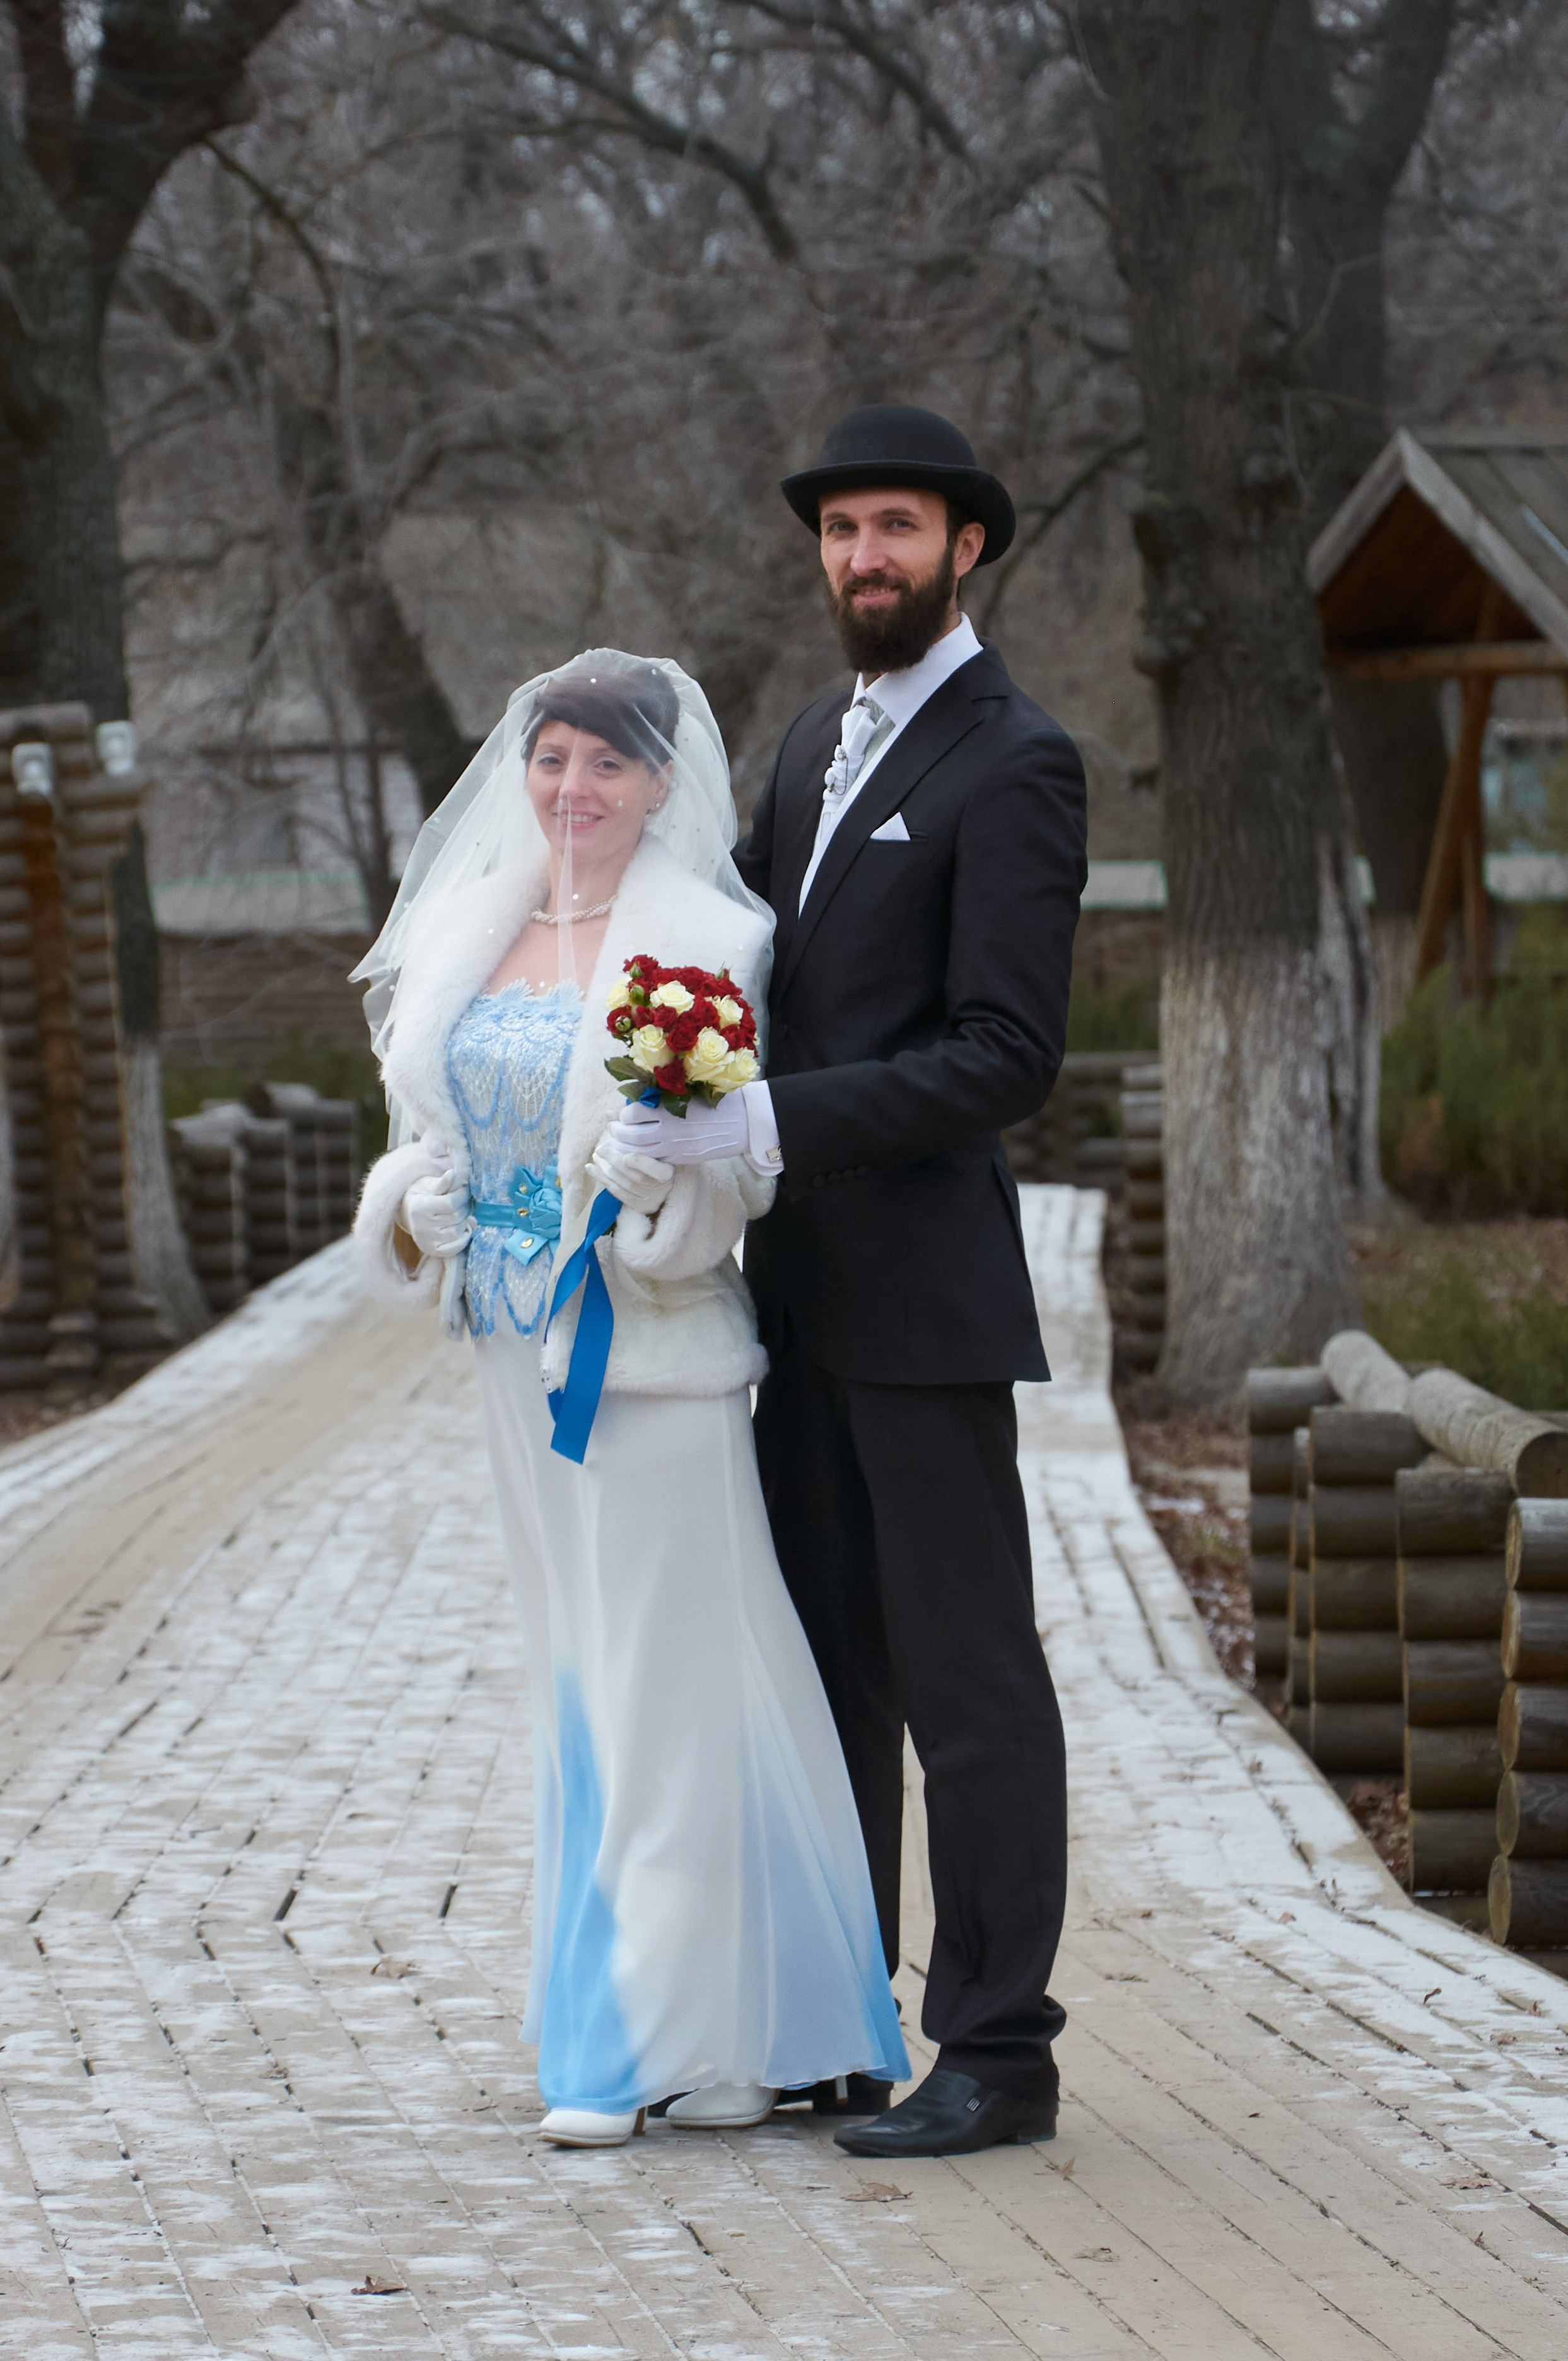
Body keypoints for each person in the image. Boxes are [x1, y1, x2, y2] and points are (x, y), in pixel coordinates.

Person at [610, 406, 1088, 2159]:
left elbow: (1002, 1053)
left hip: (926, 1300)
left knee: (965, 1683)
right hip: (790, 1295)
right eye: (838, 531)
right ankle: (837, 2022)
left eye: (893, 526)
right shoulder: (816, 736)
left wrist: (761, 1119)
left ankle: (999, 2051)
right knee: (820, 1680)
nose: (861, 556)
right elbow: (739, 962)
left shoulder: (1016, 760)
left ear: (966, 545)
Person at [351, 651, 907, 2148]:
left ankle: (639, 2039)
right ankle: (725, 2036)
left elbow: (745, 1170)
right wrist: (415, 1207)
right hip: (508, 1354)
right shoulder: (467, 932)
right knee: (582, 1680)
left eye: (607, 763)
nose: (573, 789)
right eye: (552, 759)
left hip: (648, 1355)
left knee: (670, 1678)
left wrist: (666, 1192)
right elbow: (422, 1137)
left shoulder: (712, 939)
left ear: (662, 781)